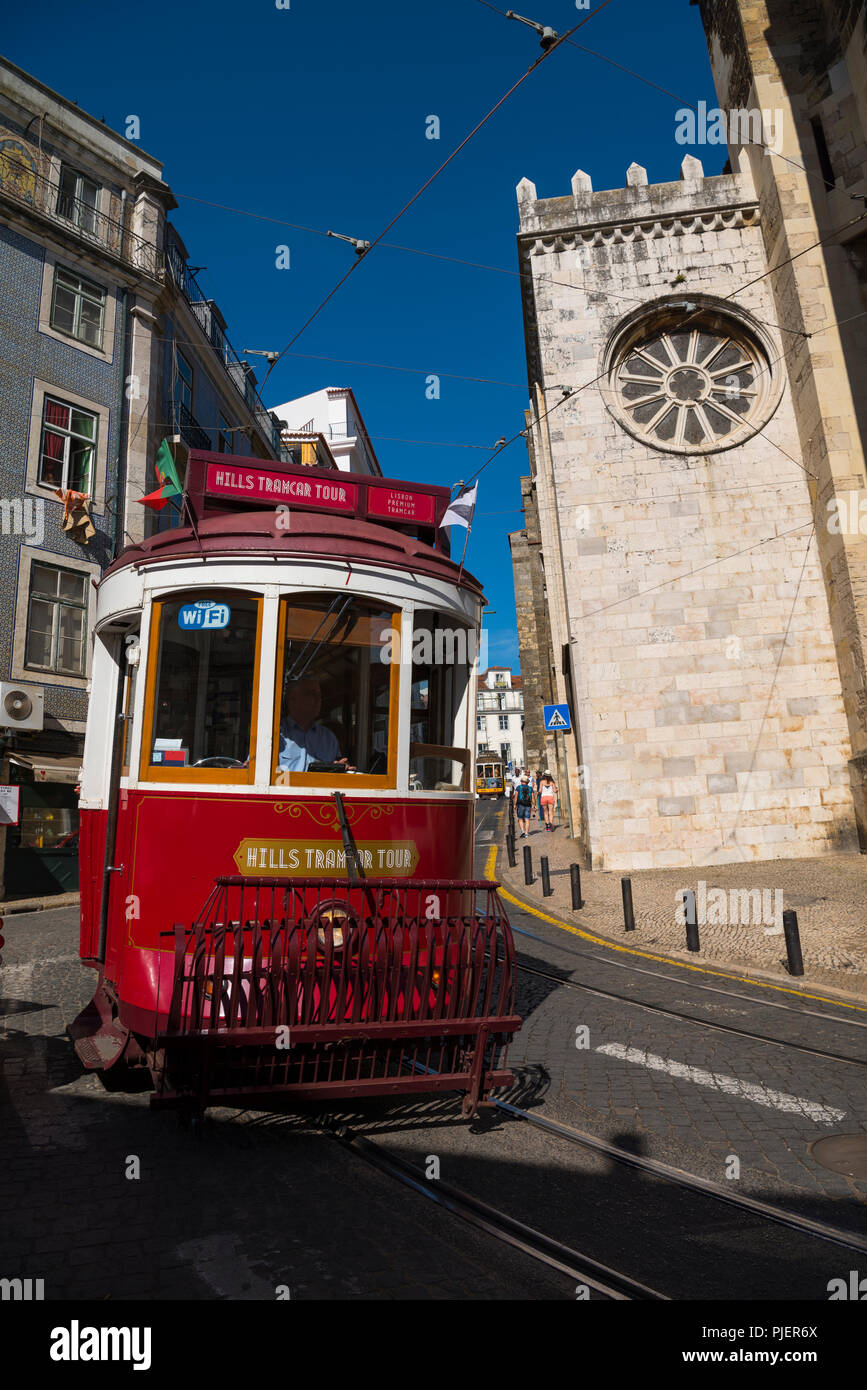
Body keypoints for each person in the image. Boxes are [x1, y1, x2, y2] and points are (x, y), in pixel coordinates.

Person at [277, 676, 353, 772]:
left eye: (319, 695)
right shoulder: (276, 734)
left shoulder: (328, 737)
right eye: (311, 694)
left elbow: (335, 770)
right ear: (292, 700)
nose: (318, 699)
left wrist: (342, 767)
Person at [515, 773, 534, 837]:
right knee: (527, 819)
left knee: (520, 818)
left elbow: (516, 796)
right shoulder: (530, 788)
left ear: (521, 781)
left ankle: (522, 830)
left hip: (520, 804)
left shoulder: (518, 788)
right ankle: (526, 833)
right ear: (527, 782)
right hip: (528, 805)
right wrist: (534, 805)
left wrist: (515, 804)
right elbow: (532, 797)